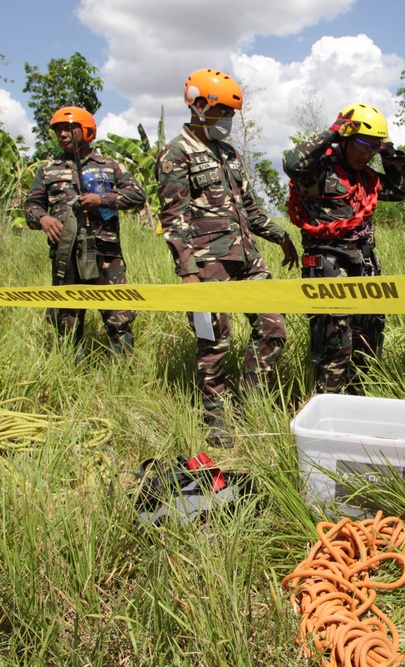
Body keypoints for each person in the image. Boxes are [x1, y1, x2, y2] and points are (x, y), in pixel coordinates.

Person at [156, 68, 299, 447]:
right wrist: (187, 271)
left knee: (273, 329)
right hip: (207, 265)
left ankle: (252, 402)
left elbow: (249, 208)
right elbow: (174, 218)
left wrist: (281, 237)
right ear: (199, 105)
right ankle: (215, 416)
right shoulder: (175, 153)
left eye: (232, 116)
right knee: (214, 341)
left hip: (248, 259)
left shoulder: (229, 153)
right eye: (223, 114)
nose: (228, 123)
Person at [283, 103, 405, 394]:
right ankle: (329, 409)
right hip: (328, 267)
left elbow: (399, 190)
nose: (367, 154)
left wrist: (389, 151)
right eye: (363, 145)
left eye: (373, 149)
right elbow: (292, 163)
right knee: (335, 344)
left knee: (368, 340)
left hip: (364, 266)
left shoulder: (368, 176)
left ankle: (358, 404)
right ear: (347, 138)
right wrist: (333, 132)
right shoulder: (318, 171)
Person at [24, 106, 147, 361]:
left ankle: (123, 373)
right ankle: (69, 372)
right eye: (58, 130)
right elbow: (31, 206)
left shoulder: (110, 165)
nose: (62, 135)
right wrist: (43, 219)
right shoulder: (48, 169)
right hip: (66, 254)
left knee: (118, 316)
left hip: (106, 254)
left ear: (87, 130)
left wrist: (102, 200)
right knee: (67, 319)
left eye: (69, 129)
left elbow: (137, 194)